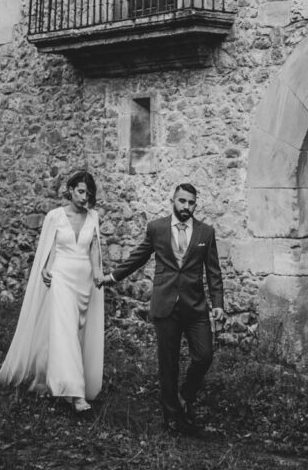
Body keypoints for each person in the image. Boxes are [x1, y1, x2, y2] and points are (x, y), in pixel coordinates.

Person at [0, 169, 104, 414]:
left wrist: (98, 273)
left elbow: (95, 248)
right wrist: (45, 268)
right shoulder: (55, 216)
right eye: (80, 191)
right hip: (62, 277)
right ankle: (75, 393)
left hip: (83, 280)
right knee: (65, 330)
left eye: (89, 193)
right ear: (70, 190)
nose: (85, 197)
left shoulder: (94, 217)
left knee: (71, 333)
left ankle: (45, 378)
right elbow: (50, 247)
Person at [102, 183, 224, 435]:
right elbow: (138, 257)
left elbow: (214, 272)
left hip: (195, 307)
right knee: (168, 364)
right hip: (165, 305)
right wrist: (112, 277)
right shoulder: (156, 228)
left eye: (191, 203)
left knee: (204, 355)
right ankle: (171, 417)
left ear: (195, 204)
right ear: (173, 200)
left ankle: (184, 397)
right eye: (182, 201)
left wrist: (218, 304)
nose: (186, 207)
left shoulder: (206, 233)